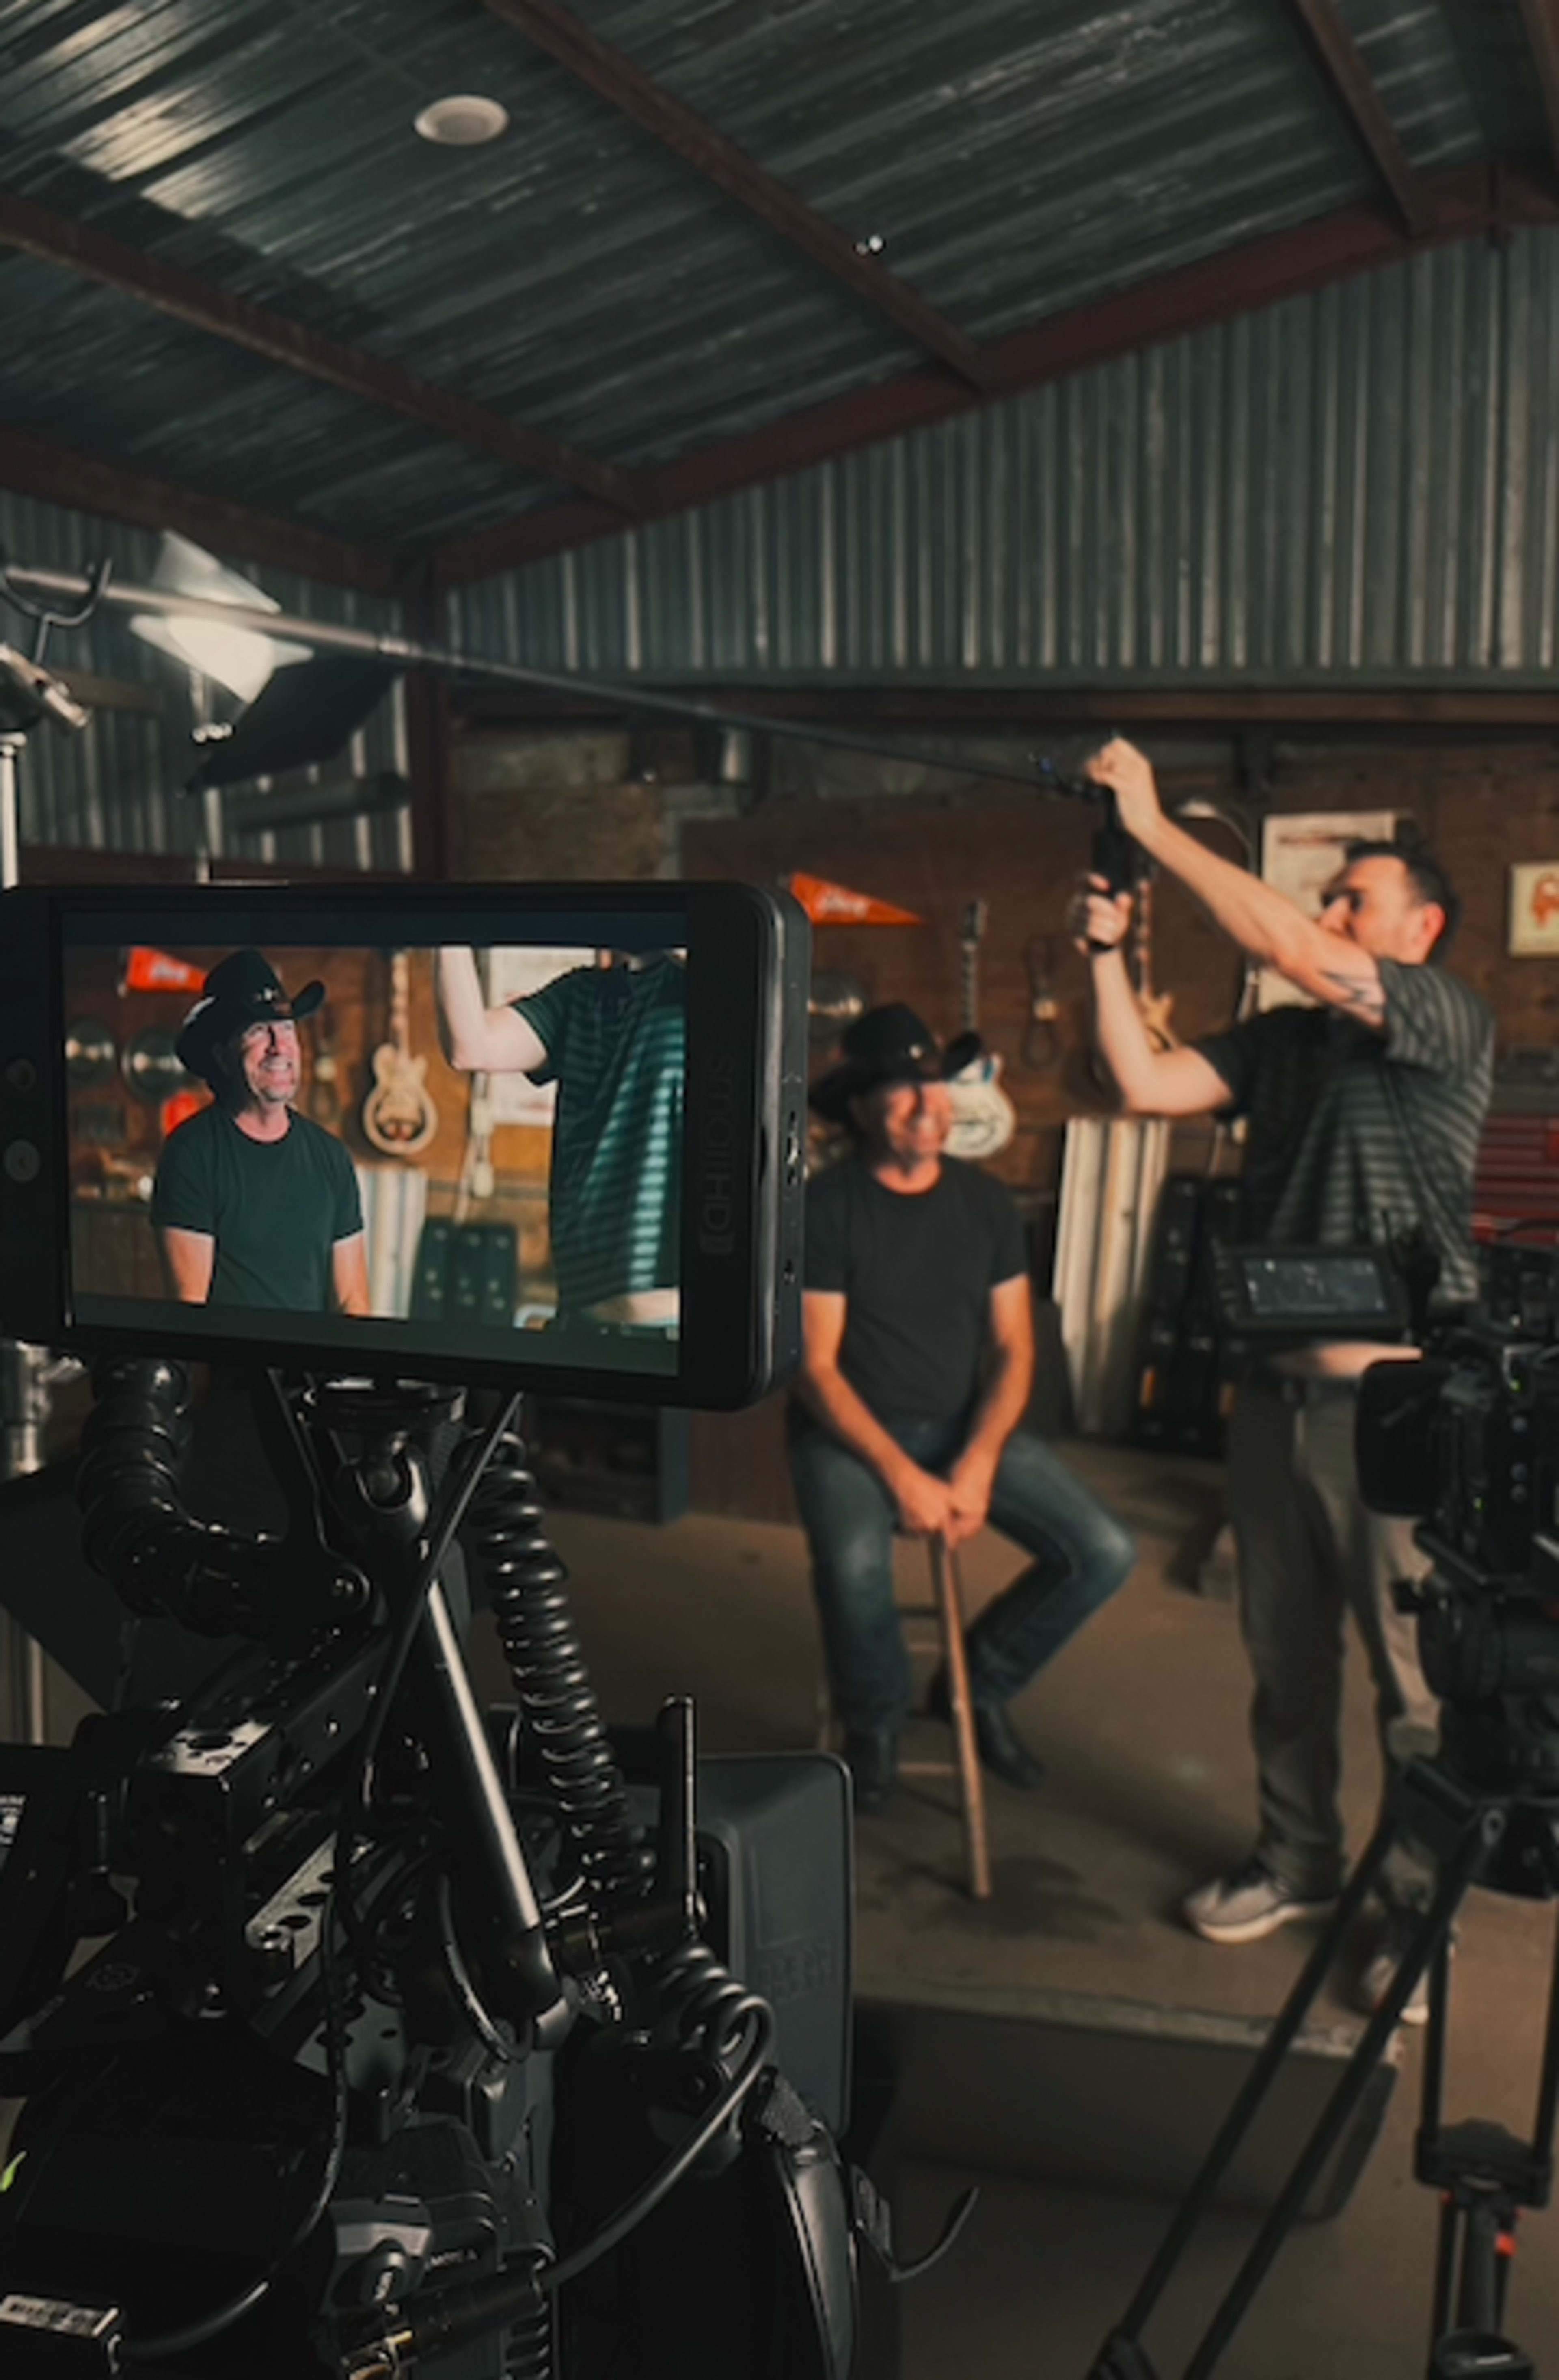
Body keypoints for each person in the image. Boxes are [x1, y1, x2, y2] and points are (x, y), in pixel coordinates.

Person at [1072, 738, 1493, 2016]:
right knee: (1280, 1661)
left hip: (1399, 1411)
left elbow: (1298, 954)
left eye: (1350, 899)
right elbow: (1139, 1082)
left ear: (1413, 928)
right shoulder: (1284, 1046)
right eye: (1328, 900)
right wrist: (1101, 950)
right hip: (1270, 1404)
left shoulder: (1440, 1020)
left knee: (1412, 1683)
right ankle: (1298, 1858)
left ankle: (1418, 1912)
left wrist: (1149, 825)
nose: (1325, 919)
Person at [790, 1003, 1137, 1814]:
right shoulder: (827, 1206)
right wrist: (905, 1476)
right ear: (861, 1107)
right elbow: (813, 1367)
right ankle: (873, 1722)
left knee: (1105, 1549)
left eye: (936, 1087)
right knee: (854, 1566)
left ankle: (975, 1688)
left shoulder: (984, 1205)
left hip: (959, 1425)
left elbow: (1016, 1347)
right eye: (904, 1091)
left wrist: (976, 1460)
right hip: (848, 1437)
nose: (929, 1105)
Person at [435, 945, 683, 1333]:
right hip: (582, 1323)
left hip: (675, 1332)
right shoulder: (581, 995)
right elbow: (471, 1046)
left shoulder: (699, 994)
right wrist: (445, 930)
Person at [153, 948, 369, 1315]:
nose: (279, 1046)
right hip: (233, 1369)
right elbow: (190, 1313)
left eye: (287, 1028)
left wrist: (357, 1372)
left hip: (311, 1370)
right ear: (222, 1056)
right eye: (257, 1031)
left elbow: (353, 1301)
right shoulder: (192, 1154)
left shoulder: (331, 1158)